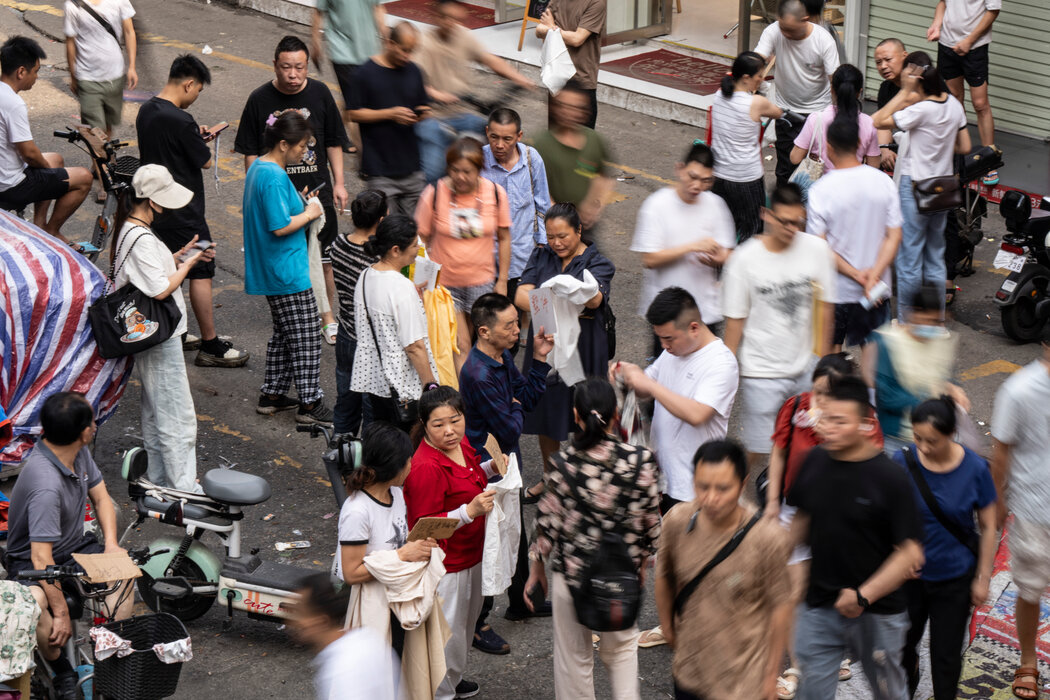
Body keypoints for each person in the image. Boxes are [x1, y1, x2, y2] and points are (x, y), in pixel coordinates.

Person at [787, 376, 925, 700]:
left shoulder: (890, 478)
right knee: (810, 692)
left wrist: (862, 596)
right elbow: (801, 520)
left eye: (840, 421)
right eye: (826, 418)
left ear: (865, 423)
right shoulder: (814, 461)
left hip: (878, 612)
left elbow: (909, 553)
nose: (829, 428)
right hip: (820, 602)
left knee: (888, 692)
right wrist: (768, 559)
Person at [524, 377, 660, 700]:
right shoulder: (640, 462)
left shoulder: (562, 464)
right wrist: (642, 565)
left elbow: (546, 524)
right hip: (621, 576)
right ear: (616, 416)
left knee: (574, 662)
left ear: (575, 415)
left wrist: (536, 571)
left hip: (573, 579)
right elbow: (651, 525)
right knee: (623, 651)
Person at [762, 354, 882, 698]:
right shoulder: (795, 407)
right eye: (816, 392)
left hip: (839, 519)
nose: (819, 402)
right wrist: (772, 502)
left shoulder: (863, 421)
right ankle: (797, 663)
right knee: (794, 588)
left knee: (834, 586)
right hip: (794, 510)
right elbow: (779, 452)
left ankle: (835, 652)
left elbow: (868, 470)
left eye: (828, 395)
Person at [3, 392, 134, 700]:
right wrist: (60, 612)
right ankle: (63, 672)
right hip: (31, 563)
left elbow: (101, 498)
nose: (94, 424)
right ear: (83, 432)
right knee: (33, 605)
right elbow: (40, 559)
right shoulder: (46, 485)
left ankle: (110, 662)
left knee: (122, 578)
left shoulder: (75, 451)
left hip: (75, 549)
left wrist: (112, 547)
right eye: (91, 420)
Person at [234, 35, 350, 345]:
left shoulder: (321, 93)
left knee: (323, 259)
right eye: (286, 67)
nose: (293, 74)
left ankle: (327, 317)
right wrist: (255, 189)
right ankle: (300, 314)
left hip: (318, 192)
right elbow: (249, 151)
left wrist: (339, 183)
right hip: (280, 196)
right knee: (290, 254)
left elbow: (334, 141)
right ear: (275, 65)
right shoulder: (259, 99)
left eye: (299, 67)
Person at [654, 439, 792, 700]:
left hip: (743, 683)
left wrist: (771, 675)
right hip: (690, 674)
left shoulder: (768, 538)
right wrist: (667, 627)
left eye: (723, 488)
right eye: (703, 486)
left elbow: (781, 608)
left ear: (742, 484)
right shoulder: (677, 521)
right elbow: (664, 575)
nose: (711, 498)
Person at [136, 54, 249, 368]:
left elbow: (171, 145)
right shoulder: (180, 120)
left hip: (155, 206)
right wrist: (200, 140)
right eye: (197, 90)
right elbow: (205, 161)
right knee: (200, 267)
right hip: (183, 207)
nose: (196, 95)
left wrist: (192, 136)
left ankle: (179, 330)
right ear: (188, 83)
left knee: (172, 267)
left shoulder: (147, 110)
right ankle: (211, 345)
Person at [459, 293, 555, 641]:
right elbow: (512, 427)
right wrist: (515, 406)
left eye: (517, 322)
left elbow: (525, 399)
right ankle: (479, 623)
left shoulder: (500, 358)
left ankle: (522, 600)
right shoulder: (479, 373)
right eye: (510, 325)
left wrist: (540, 360)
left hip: (507, 460)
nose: (518, 330)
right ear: (484, 331)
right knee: (493, 541)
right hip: (488, 469)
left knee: (514, 534)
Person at [722, 183, 836, 470]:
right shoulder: (744, 259)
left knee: (808, 445)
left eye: (797, 222)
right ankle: (737, 497)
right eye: (783, 221)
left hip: (806, 370)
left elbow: (826, 311)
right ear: (766, 215)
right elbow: (735, 324)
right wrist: (725, 374)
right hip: (761, 372)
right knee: (761, 449)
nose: (791, 229)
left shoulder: (818, 250)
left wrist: (820, 365)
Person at [111, 164, 209, 491]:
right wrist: (190, 264)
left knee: (157, 413)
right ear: (152, 201)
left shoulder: (132, 228)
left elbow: (153, 272)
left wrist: (180, 257)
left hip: (150, 334)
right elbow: (160, 289)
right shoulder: (139, 235)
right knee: (176, 417)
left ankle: (159, 480)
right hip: (158, 336)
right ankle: (184, 488)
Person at [892, 397, 997, 700]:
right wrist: (899, 549)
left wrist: (983, 577)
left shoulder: (976, 469)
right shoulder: (903, 461)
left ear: (951, 433)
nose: (923, 447)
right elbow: (890, 514)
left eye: (932, 441)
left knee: (946, 657)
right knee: (901, 648)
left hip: (954, 578)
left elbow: (988, 525)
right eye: (917, 438)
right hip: (909, 580)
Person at [403, 386, 499, 700]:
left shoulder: (462, 442)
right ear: (424, 425)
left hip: (472, 555)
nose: (449, 431)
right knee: (446, 636)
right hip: (447, 566)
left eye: (455, 421)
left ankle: (452, 681)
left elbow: (470, 474)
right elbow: (424, 528)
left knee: (462, 629)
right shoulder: (426, 467)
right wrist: (468, 512)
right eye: (439, 424)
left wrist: (489, 468)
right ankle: (440, 692)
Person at [514, 203, 614, 500]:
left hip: (585, 347)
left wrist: (551, 295)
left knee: (589, 414)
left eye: (563, 236)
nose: (556, 243)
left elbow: (595, 300)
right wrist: (557, 301)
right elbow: (519, 294)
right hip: (547, 342)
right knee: (547, 413)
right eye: (551, 236)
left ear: (579, 231)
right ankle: (551, 478)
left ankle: (586, 480)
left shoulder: (598, 262)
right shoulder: (541, 254)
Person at [611, 287, 738, 514]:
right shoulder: (672, 352)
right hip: (661, 478)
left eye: (668, 338)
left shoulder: (721, 363)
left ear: (694, 328)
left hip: (692, 489)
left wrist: (650, 385)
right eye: (660, 338)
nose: (663, 346)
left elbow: (698, 414)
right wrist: (630, 376)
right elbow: (646, 389)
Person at [242, 111, 332, 426]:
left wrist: (301, 203)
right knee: (307, 334)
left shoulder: (258, 168)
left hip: (272, 267)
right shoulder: (274, 175)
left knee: (284, 334)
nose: (304, 153)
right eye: (301, 147)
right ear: (283, 144)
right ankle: (310, 403)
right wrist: (311, 212)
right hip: (286, 269)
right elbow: (280, 226)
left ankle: (274, 394)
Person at [872, 52, 970, 321]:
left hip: (915, 187)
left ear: (917, 79)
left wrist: (903, 93)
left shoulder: (920, 109)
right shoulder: (953, 105)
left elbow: (877, 121)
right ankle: (934, 320)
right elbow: (965, 147)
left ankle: (906, 322)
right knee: (935, 258)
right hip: (944, 187)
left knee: (909, 260)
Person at [337, 422, 438, 657]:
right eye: (407, 460)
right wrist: (403, 555)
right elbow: (351, 573)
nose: (411, 465)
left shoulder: (396, 494)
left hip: (401, 599)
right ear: (393, 467)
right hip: (377, 608)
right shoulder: (357, 511)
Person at [415, 137, 512, 373]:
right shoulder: (435, 193)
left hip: (483, 283)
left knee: (486, 346)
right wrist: (417, 283)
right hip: (446, 286)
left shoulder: (495, 194)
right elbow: (419, 240)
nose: (460, 177)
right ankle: (464, 405)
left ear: (479, 170)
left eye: (467, 172)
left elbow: (505, 237)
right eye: (455, 170)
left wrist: (502, 281)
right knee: (460, 345)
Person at [806, 117, 902, 351]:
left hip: (835, 292)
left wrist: (856, 275)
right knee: (874, 367)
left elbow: (820, 247)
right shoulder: (883, 182)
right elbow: (894, 236)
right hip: (876, 290)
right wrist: (872, 276)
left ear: (828, 147)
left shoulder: (820, 190)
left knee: (830, 363)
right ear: (860, 143)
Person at [630, 142, 735, 353]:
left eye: (706, 181)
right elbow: (650, 259)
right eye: (692, 176)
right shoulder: (656, 205)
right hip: (667, 316)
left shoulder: (716, 205)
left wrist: (718, 258)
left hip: (704, 314)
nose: (697, 186)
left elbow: (729, 253)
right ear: (679, 169)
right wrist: (692, 246)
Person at [413, 0, 533, 184]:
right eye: (448, 19)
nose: (453, 24)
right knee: (434, 172)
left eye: (457, 19)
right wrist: (438, 95)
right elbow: (415, 82)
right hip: (433, 116)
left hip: (462, 113)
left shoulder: (462, 35)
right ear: (437, 17)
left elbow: (488, 59)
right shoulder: (423, 42)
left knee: (502, 145)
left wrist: (519, 78)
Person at [990, 342, 1050, 700]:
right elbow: (1001, 451)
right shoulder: (1019, 390)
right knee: (1030, 590)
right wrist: (997, 502)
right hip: (1033, 510)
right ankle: (1028, 660)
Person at [350, 215, 438, 432]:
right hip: (402, 385)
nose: (418, 249)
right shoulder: (401, 288)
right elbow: (414, 347)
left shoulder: (365, 276)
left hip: (375, 380)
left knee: (386, 443)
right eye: (415, 245)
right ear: (396, 249)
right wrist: (431, 386)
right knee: (408, 446)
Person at [0, 36, 91, 245]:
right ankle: (52, 230)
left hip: (5, 172)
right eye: (36, 71)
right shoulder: (13, 103)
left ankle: (39, 226)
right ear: (21, 71)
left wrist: (47, 168)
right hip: (9, 186)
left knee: (56, 159)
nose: (37, 78)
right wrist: (45, 170)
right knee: (84, 177)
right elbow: (30, 155)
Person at [868, 286, 968, 455]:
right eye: (925, 320)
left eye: (935, 321)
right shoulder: (888, 343)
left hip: (937, 435)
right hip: (899, 439)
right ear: (911, 314)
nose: (930, 326)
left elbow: (946, 376)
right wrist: (930, 397)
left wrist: (954, 389)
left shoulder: (941, 340)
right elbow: (887, 397)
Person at [754, 0, 840, 187]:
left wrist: (837, 114)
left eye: (790, 30)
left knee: (818, 167)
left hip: (817, 113)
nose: (785, 34)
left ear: (805, 20)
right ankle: (785, 210)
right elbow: (757, 58)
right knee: (785, 167)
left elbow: (835, 80)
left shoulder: (823, 40)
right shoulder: (774, 31)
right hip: (785, 110)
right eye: (783, 28)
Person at [347, 23, 429, 217]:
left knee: (415, 234)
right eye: (404, 50)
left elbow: (423, 105)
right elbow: (354, 113)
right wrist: (390, 114)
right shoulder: (364, 74)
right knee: (388, 233)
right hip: (380, 171)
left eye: (411, 51)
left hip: (412, 169)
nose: (408, 56)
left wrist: (422, 114)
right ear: (390, 43)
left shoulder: (414, 71)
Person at [482, 107, 552, 327]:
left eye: (507, 139)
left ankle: (544, 352)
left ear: (519, 136)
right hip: (488, 257)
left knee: (544, 316)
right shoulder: (477, 160)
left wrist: (542, 244)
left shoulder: (532, 159)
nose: (500, 145)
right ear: (487, 133)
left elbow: (542, 204)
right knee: (497, 320)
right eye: (494, 137)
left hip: (525, 252)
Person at [710, 51, 785, 242]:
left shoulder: (719, 95)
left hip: (719, 176)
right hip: (746, 179)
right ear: (746, 77)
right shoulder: (756, 103)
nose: (761, 79)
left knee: (722, 230)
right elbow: (777, 112)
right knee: (751, 232)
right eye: (759, 76)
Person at [289, 572, 398, 700]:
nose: (292, 622)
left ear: (322, 621)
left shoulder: (341, 672)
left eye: (300, 614)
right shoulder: (368, 639)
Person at [928, 0, 1000, 184]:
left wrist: (969, 40)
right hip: (947, 45)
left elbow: (992, 12)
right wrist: (936, 25)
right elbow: (943, 3)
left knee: (980, 103)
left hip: (975, 48)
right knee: (954, 100)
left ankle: (989, 160)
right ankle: (956, 156)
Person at [330, 190, 382, 437]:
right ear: (380, 220)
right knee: (372, 410)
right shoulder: (377, 259)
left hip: (346, 335)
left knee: (346, 402)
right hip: (370, 343)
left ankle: (340, 456)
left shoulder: (338, 244)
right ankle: (370, 465)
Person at [533, 83, 613, 238]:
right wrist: (559, 217)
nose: (568, 112)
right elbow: (535, 187)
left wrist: (594, 206)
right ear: (555, 108)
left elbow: (603, 177)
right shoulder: (540, 144)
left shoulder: (594, 140)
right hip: (552, 226)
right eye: (563, 106)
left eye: (576, 107)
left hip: (584, 226)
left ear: (584, 112)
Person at [309, 0, 386, 155]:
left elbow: (378, 8)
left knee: (357, 99)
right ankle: (365, 159)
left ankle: (335, 132)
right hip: (342, 51)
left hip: (369, 50)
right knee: (356, 104)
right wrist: (315, 41)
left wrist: (388, 39)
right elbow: (319, 11)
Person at [63, 0, 136, 143]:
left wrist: (132, 66)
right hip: (88, 78)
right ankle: (100, 163)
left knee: (108, 126)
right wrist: (73, 76)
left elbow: (129, 31)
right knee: (95, 131)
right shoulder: (72, 5)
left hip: (115, 76)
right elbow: (70, 42)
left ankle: (103, 162)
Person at [790, 64, 881, 171]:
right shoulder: (868, 123)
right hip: (854, 185)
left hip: (821, 184)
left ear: (832, 89)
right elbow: (874, 166)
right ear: (859, 92)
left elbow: (795, 158)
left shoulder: (816, 119)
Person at [534, 0, 606, 128]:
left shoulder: (596, 2)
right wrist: (551, 29)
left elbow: (577, 39)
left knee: (583, 139)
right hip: (558, 78)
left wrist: (551, 29)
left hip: (582, 80)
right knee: (556, 137)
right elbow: (539, 31)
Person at [873, 38, 909, 171]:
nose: (883, 66)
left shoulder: (924, 83)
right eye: (878, 62)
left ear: (905, 56)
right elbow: (882, 125)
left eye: (888, 60)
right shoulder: (885, 88)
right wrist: (885, 150)